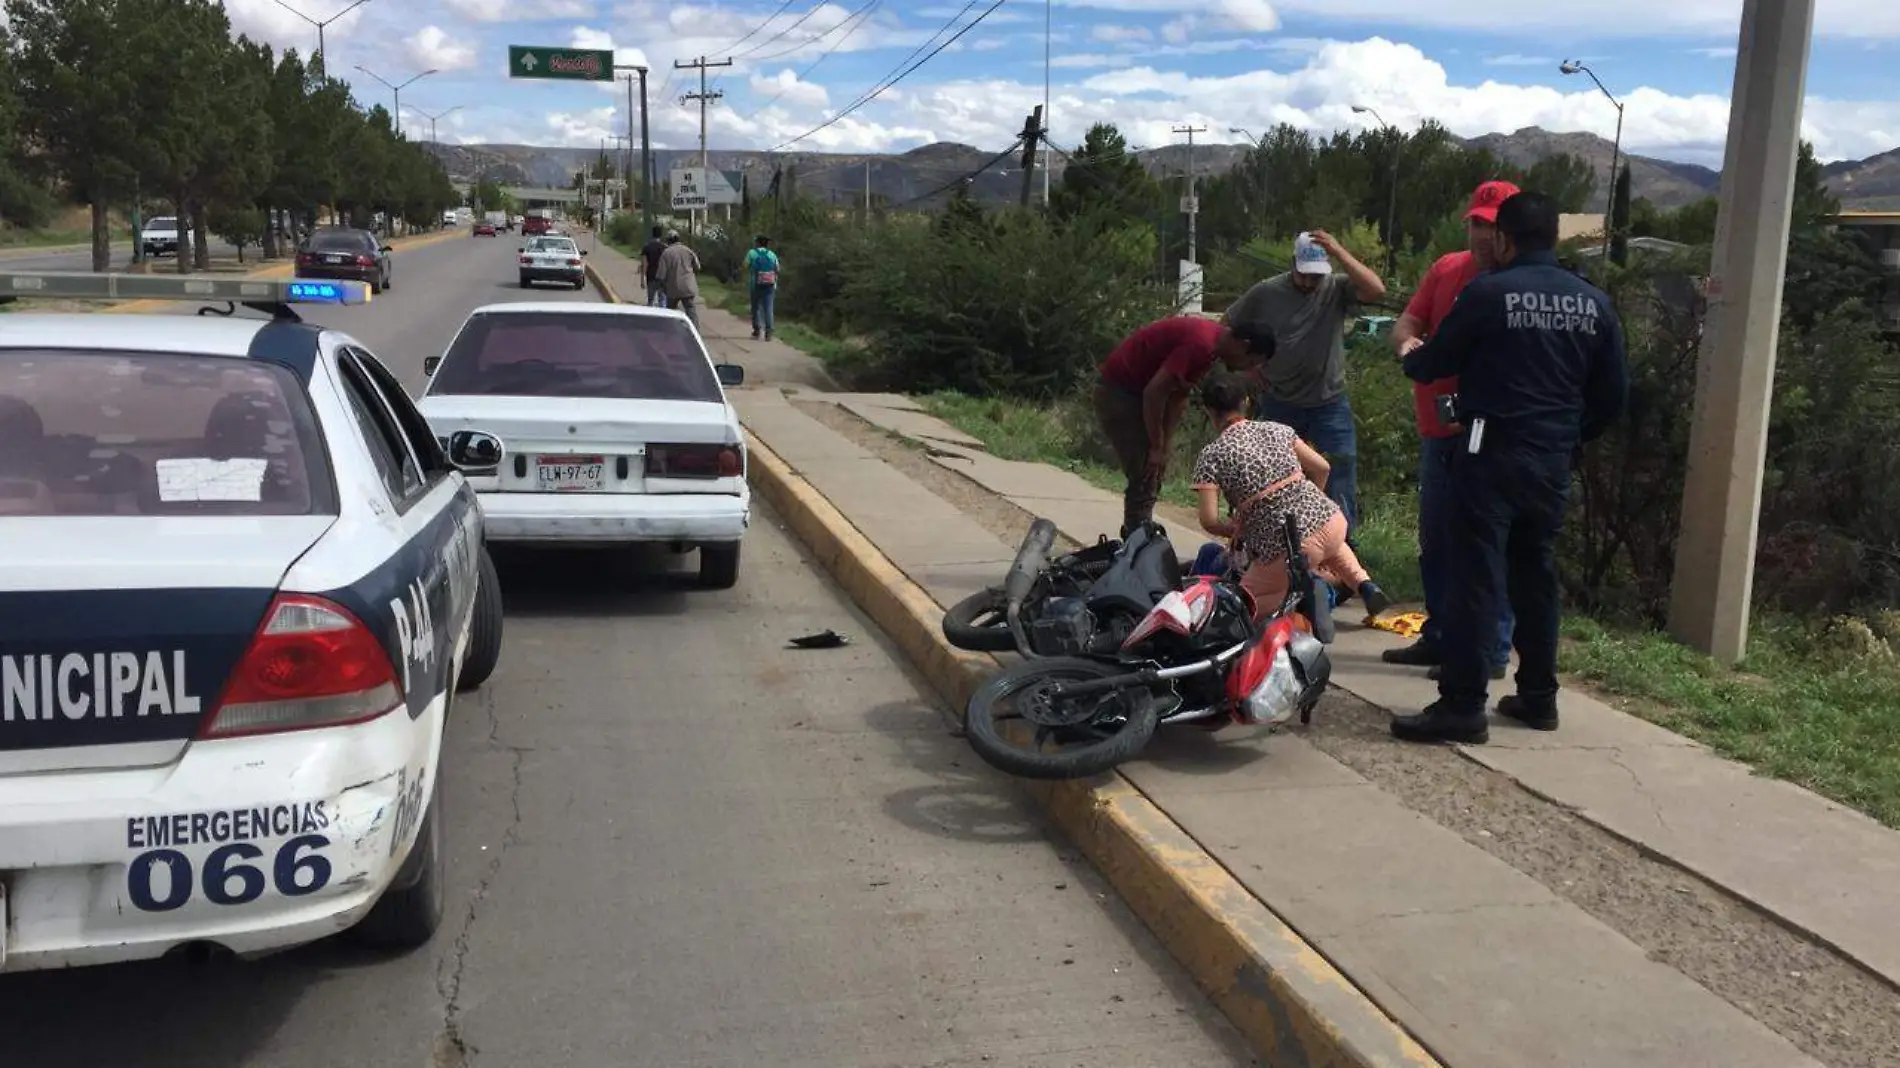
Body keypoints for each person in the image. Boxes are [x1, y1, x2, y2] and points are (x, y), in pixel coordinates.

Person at [1393, 191, 1629, 745]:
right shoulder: (1593, 302)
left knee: (1476, 578)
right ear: (1553, 237)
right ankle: (1539, 698)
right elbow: (1613, 397)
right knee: (1535, 577)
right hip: (1550, 462)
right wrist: (1568, 436)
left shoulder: (1488, 292)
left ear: (1503, 239)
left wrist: (1410, 354)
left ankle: (1462, 705)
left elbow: (1435, 361)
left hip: (1488, 452)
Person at [1385, 180, 1521, 681]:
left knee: (1491, 544)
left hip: (1491, 435)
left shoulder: (1516, 284)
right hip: (1437, 430)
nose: (1482, 235)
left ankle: (1492, 648)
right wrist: (1409, 350)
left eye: (1493, 225)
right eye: (1476, 223)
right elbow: (1408, 324)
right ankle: (1440, 634)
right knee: (1438, 540)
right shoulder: (1446, 269)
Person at [1221, 229, 1386, 543]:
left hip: (1329, 402)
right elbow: (1226, 328)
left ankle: (1341, 550)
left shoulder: (1335, 287)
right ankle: (1274, 542)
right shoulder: (1265, 292)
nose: (1311, 283)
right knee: (1274, 475)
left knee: (1339, 471)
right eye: (1304, 275)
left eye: (1316, 276)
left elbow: (1376, 290)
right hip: (1281, 400)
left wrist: (1339, 251)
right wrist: (1247, 369)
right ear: (1292, 264)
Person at [1191, 373, 1392, 623]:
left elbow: (1209, 520)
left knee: (1240, 607)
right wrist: (1309, 503)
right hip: (1331, 520)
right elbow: (1322, 468)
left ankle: (1303, 605)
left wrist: (1236, 529)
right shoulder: (1278, 430)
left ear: (1208, 410)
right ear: (1246, 401)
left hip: (1282, 547)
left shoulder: (1211, 456)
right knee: (1329, 541)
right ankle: (1364, 584)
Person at [1093, 315, 1272, 537]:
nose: (1245, 369)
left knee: (1154, 467)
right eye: (1251, 363)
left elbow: (1178, 396)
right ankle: (1136, 539)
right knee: (1144, 469)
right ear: (1244, 346)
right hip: (1120, 392)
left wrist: (1164, 445)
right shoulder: (1201, 343)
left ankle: (1139, 531)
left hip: (1139, 393)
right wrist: (1156, 447)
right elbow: (1154, 393)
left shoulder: (1210, 348)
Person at [655, 229, 702, 326]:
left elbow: (661, 274)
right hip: (688, 286)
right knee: (690, 311)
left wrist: (662, 287)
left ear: (668, 240)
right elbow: (697, 266)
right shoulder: (687, 250)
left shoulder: (666, 253)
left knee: (671, 311)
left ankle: (670, 329)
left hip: (673, 287)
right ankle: (695, 331)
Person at [745, 234, 781, 341]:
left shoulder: (751, 253)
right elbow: (777, 269)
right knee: (768, 308)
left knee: (755, 308)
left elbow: (745, 265)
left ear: (757, 243)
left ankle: (757, 331)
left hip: (755, 284)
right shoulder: (772, 254)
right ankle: (768, 333)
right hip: (770, 285)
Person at [641, 225, 668, 308]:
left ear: (652, 234)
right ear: (661, 235)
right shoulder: (665, 248)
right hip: (662, 277)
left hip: (651, 277)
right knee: (662, 301)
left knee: (650, 301)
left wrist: (642, 279)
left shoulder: (647, 247)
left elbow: (645, 264)